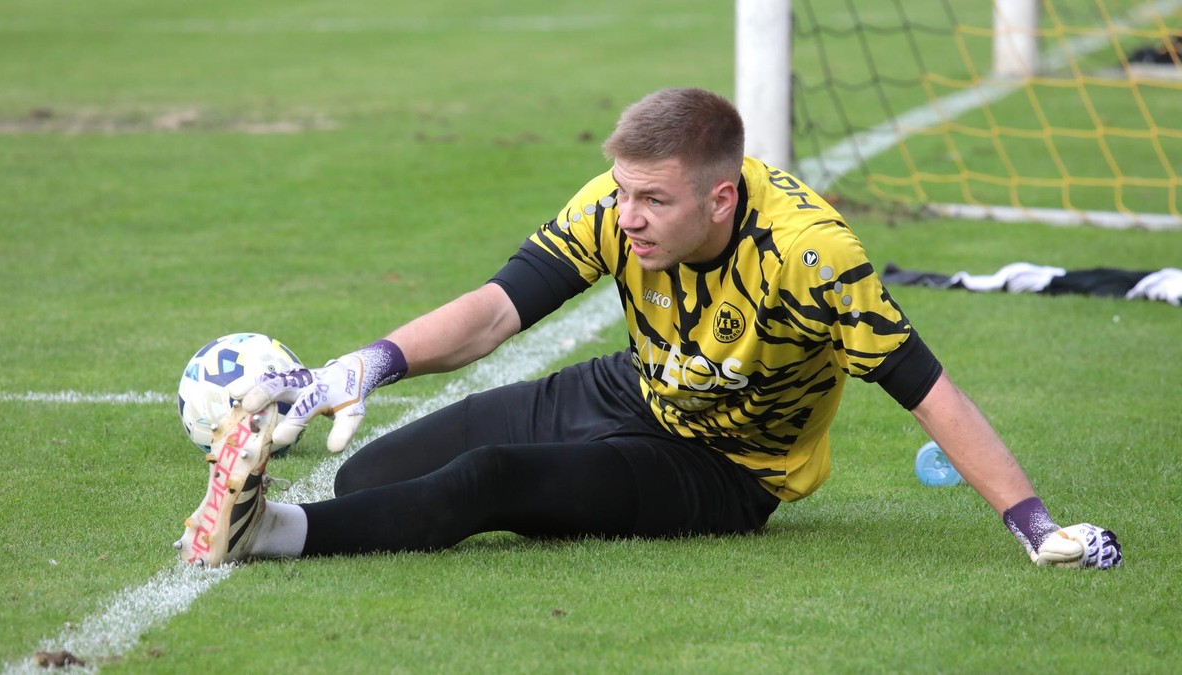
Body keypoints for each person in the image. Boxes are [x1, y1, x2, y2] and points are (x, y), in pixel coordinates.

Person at [176, 88, 1121, 569]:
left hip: (730, 466)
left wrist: (1036, 524)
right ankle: (533, 496)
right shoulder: (618, 205)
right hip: (636, 387)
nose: (627, 216)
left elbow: (929, 389)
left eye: (651, 199)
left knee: (486, 481)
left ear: (720, 197)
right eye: (622, 191)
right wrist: (369, 363)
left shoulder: (811, 255)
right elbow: (499, 308)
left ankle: (270, 537)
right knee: (374, 475)